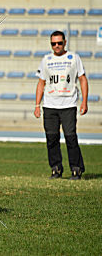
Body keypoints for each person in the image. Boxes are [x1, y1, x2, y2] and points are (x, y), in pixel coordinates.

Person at [34, 30, 88, 180]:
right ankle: (56, 168)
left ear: (65, 42)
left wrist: (84, 101)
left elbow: (82, 79)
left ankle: (76, 169)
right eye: (53, 43)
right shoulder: (46, 60)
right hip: (50, 105)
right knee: (52, 138)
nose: (56, 46)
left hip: (68, 104)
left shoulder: (73, 58)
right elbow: (41, 83)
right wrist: (37, 105)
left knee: (70, 137)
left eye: (59, 43)